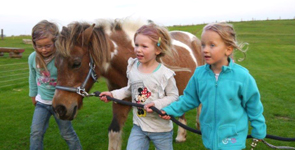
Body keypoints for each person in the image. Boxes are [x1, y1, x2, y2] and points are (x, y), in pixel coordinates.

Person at [159, 22, 267, 150]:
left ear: (228, 49)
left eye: (212, 45)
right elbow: (189, 99)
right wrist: (170, 110)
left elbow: (253, 104)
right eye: (203, 44)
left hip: (233, 138)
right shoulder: (199, 74)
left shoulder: (242, 77)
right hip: (209, 137)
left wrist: (259, 128)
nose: (205, 49)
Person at [99, 23, 179, 150]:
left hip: (161, 129)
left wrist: (157, 104)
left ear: (158, 50)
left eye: (144, 46)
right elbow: (130, 89)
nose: (138, 49)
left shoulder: (165, 74)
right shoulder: (132, 67)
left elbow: (174, 96)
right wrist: (113, 94)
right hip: (139, 127)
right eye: (136, 45)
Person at [28, 20, 82, 150]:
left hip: (60, 103)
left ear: (55, 42)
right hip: (42, 103)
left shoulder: (62, 58)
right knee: (36, 133)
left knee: (67, 133)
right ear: (34, 44)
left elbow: (70, 77)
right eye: (39, 46)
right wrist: (33, 94)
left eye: (48, 45)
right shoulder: (32, 58)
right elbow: (32, 77)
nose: (44, 49)